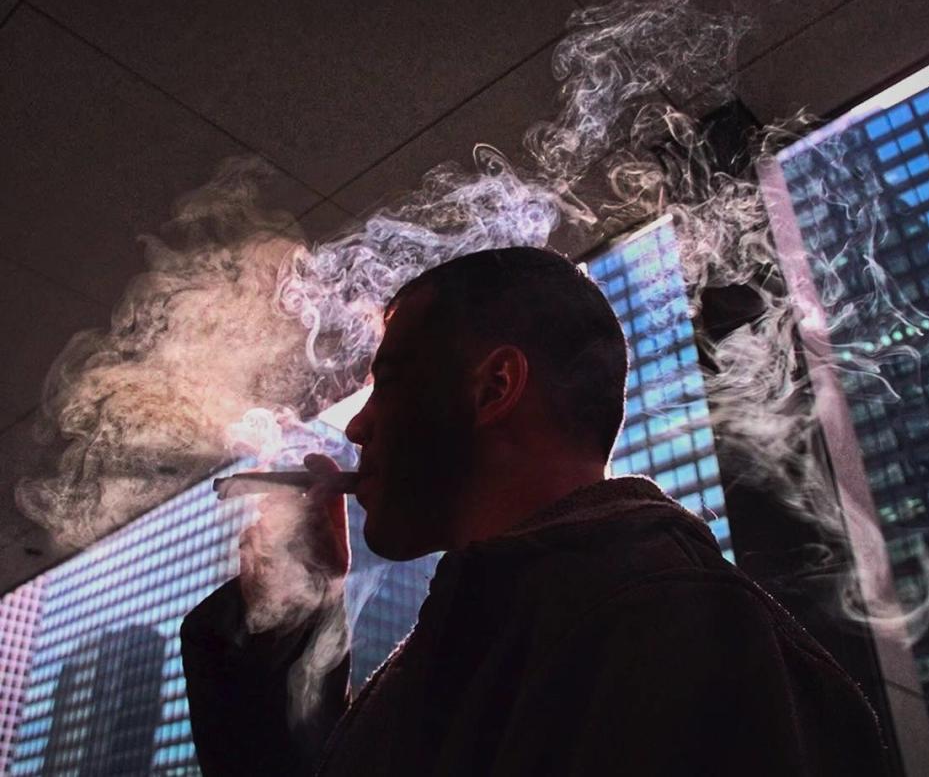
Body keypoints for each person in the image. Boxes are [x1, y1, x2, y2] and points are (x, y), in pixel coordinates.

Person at [181, 246, 888, 776]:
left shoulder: (660, 621)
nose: (357, 429)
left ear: (495, 386)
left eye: (387, 385)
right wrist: (295, 616)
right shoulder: (517, 627)